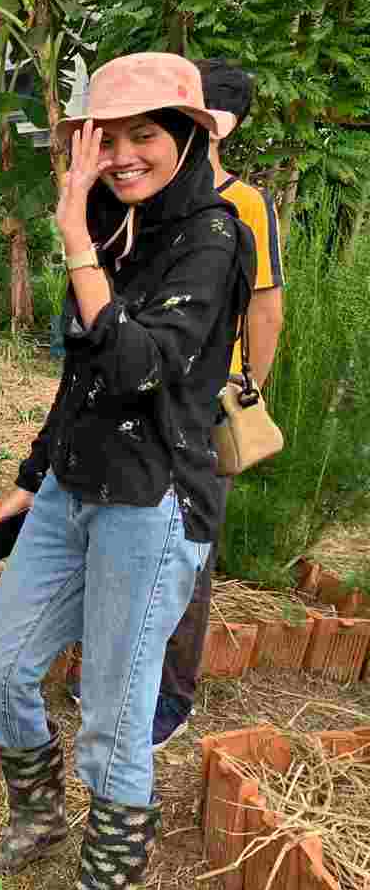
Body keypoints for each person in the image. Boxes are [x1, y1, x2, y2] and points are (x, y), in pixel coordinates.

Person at [0, 53, 254, 890]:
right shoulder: (106, 223)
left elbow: (137, 369)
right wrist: (31, 476)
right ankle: (41, 816)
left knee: (117, 713)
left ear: (186, 139)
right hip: (74, 486)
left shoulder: (212, 236)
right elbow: (82, 374)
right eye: (109, 137)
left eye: (145, 136)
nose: (126, 155)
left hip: (154, 501)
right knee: (2, 671)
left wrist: (78, 247)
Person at [153, 59, 285, 744]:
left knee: (190, 547)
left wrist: (247, 386)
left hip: (205, 403)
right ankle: (120, 672)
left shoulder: (245, 204)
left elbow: (265, 308)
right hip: (144, 395)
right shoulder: (147, 192)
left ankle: (171, 697)